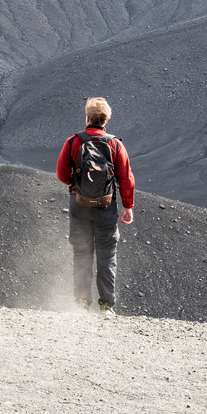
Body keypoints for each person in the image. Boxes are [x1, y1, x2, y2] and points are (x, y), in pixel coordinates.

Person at [56, 97, 135, 316]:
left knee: (82, 254)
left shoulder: (73, 142)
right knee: (107, 256)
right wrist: (128, 206)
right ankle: (106, 307)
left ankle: (81, 303)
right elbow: (126, 178)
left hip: (79, 206)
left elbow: (62, 175)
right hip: (106, 208)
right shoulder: (115, 144)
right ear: (106, 119)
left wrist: (78, 184)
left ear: (87, 118)